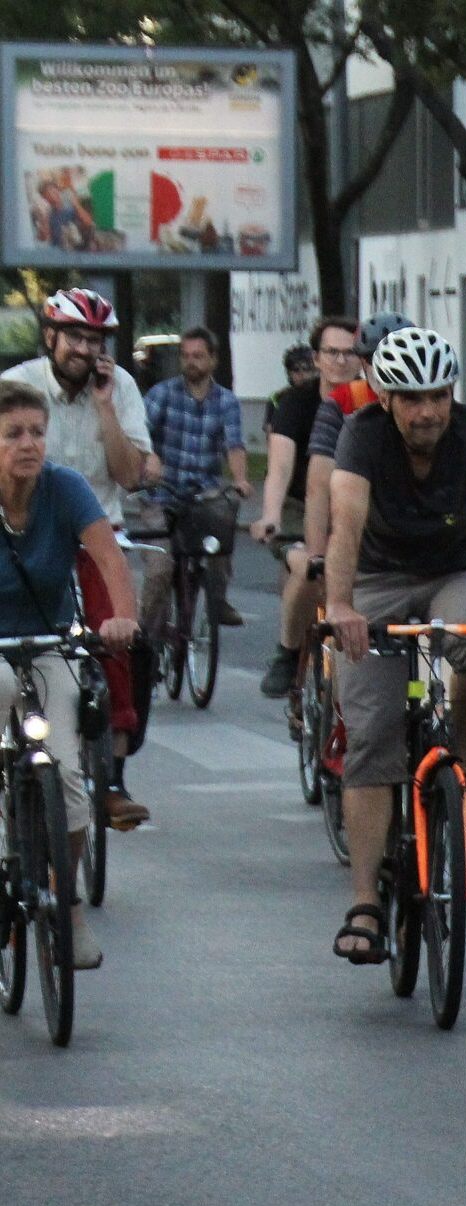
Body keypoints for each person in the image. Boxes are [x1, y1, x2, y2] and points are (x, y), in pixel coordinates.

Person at [324, 328, 466, 965]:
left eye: (439, 396)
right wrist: (340, 606)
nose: (428, 411)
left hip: (456, 572)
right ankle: (366, 901)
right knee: (370, 740)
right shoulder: (362, 435)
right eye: (413, 398)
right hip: (376, 579)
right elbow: (347, 524)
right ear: (387, 399)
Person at [0, 380, 141, 968]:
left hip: (51, 643)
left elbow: (108, 558)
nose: (29, 444)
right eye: (13, 435)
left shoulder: (66, 488)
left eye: (37, 431)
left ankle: (68, 904)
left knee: (69, 782)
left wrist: (124, 620)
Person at [3, 289, 155, 830]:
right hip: (25, 529)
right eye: (74, 337)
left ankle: (111, 779)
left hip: (97, 529)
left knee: (117, 643)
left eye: (94, 340)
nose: (84, 349)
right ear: (50, 337)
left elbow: (131, 473)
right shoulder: (17, 387)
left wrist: (106, 406)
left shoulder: (120, 387)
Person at [253, 318, 359, 698]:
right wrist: (271, 514)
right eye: (332, 352)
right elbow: (279, 467)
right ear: (317, 358)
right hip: (301, 509)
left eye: (350, 352)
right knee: (308, 568)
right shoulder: (296, 403)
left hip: (355, 508)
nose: (342, 361)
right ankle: (287, 651)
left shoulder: (373, 400)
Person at [141, 326, 251, 630]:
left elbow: (235, 445)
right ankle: (145, 643)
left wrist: (240, 479)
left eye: (198, 356)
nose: (191, 362)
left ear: (213, 360)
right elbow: (139, 435)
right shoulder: (163, 394)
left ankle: (218, 600)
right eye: (186, 356)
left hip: (203, 494)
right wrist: (150, 459)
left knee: (220, 534)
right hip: (162, 495)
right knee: (160, 568)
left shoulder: (226, 401)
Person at [302, 311, 411, 568]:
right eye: (376, 358)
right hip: (357, 528)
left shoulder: (432, 403)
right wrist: (318, 555)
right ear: (363, 363)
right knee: (307, 585)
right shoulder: (343, 402)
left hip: (416, 530)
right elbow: (318, 483)